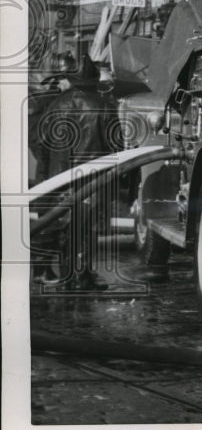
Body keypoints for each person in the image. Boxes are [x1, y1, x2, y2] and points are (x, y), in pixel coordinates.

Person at [33, 58, 118, 290]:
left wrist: (47, 175)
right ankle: (83, 275)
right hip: (94, 177)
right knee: (87, 227)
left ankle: (67, 275)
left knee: (63, 225)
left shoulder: (57, 105)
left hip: (60, 178)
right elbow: (117, 144)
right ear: (92, 81)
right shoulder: (105, 105)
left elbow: (41, 143)